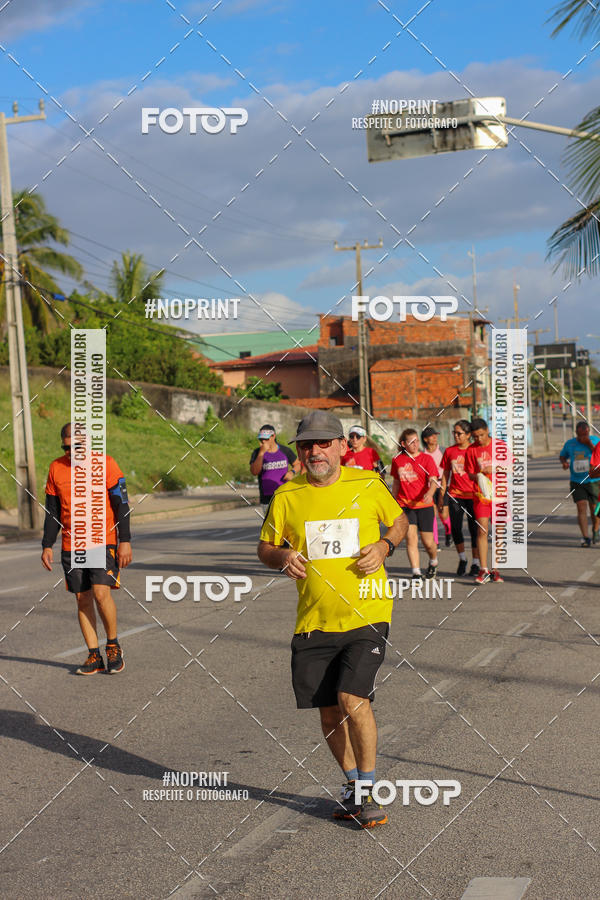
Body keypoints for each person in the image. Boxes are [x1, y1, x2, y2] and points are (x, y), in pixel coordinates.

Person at [257, 410, 407, 829]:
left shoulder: (368, 483)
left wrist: (384, 545)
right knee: (327, 713)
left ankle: (370, 789)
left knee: (351, 699)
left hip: (368, 612)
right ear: (299, 451)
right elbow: (265, 547)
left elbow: (399, 521)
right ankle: (353, 784)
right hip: (314, 620)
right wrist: (282, 556)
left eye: (324, 443)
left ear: (342, 446)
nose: (315, 451)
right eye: (307, 444)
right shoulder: (287, 497)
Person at [41, 423, 132, 674]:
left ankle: (113, 646)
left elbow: (121, 504)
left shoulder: (107, 464)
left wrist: (125, 540)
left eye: (77, 447)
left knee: (102, 594)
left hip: (103, 541)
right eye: (67, 448)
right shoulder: (55, 468)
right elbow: (53, 512)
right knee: (83, 599)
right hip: (73, 544)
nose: (71, 452)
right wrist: (47, 544)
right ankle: (94, 655)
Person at [390, 428, 439, 580]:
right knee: (411, 538)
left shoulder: (427, 459)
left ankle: (433, 561)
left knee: (428, 543)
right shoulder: (398, 460)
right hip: (405, 505)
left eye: (417, 441)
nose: (415, 444)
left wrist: (430, 493)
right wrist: (392, 500)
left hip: (424, 506)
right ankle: (416, 572)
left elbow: (433, 481)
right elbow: (396, 483)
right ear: (404, 444)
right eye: (411, 442)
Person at [464, 418, 506, 584]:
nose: (478, 439)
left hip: (500, 494)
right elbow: (468, 473)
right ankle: (483, 569)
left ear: (487, 430)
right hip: (481, 495)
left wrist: (494, 468)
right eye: (475, 437)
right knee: (482, 531)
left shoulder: (499, 446)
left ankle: (496, 569)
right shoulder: (471, 450)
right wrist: (478, 476)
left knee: (498, 532)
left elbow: (511, 465)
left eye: (481, 435)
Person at [439, 420, 479, 576]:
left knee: (474, 529)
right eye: (454, 433)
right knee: (455, 528)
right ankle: (462, 559)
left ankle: (476, 562)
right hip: (455, 495)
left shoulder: (475, 450)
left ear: (468, 435)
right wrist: (442, 496)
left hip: (474, 495)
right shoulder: (450, 451)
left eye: (459, 433)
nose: (455, 436)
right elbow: (445, 475)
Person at [559, 420, 600, 546]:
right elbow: (562, 456)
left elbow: (598, 455)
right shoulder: (570, 444)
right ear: (576, 433)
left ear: (589, 432)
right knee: (581, 507)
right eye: (580, 435)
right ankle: (585, 537)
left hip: (593, 481)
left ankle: (595, 529)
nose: (583, 437)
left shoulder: (595, 441)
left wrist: (589, 444)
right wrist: (564, 462)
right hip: (577, 480)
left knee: (594, 510)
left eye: (585, 434)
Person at [249, 423, 299, 515]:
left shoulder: (285, 451)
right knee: (271, 526)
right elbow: (254, 471)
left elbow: (298, 464)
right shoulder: (257, 453)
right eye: (261, 439)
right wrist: (261, 453)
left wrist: (292, 472)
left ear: (273, 436)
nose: (263, 441)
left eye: (266, 438)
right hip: (266, 498)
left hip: (284, 494)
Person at [421, 426, 452, 548]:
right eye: (432, 436)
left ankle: (448, 532)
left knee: (443, 514)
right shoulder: (422, 453)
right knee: (432, 515)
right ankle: (436, 542)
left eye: (435, 435)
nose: (435, 438)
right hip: (429, 487)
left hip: (442, 485)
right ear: (425, 439)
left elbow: (448, 469)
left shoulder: (443, 450)